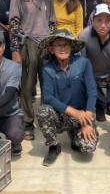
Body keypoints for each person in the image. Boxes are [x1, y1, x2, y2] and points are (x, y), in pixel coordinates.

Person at [37, 30, 99, 166]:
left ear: (71, 47)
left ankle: (74, 134)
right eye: (58, 45)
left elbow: (92, 91)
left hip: (83, 114)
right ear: (51, 49)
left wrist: (87, 121)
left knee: (87, 147)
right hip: (61, 114)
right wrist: (73, 112)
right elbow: (47, 97)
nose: (63, 48)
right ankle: (54, 146)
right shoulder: (47, 69)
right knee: (43, 111)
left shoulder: (84, 63)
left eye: (66, 44)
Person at [9, 0, 55, 140]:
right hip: (27, 44)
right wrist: (15, 50)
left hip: (46, 44)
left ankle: (48, 119)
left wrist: (52, 44)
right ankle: (28, 122)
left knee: (48, 84)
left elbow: (52, 23)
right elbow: (14, 25)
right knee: (27, 87)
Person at [79, 4, 110, 121]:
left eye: (107, 20)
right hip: (93, 74)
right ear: (93, 21)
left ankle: (109, 106)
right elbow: (83, 62)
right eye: (99, 20)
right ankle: (99, 106)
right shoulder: (84, 35)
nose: (103, 25)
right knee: (96, 101)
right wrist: (87, 82)